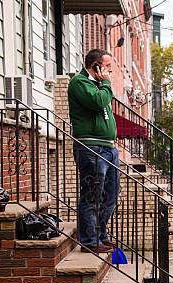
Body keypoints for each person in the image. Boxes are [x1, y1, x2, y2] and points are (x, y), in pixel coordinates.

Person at [68, 49, 118, 253]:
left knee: (110, 195)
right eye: (107, 67)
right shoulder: (80, 83)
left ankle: (100, 234)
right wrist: (106, 83)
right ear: (96, 66)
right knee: (92, 195)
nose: (109, 72)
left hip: (108, 148)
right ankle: (89, 241)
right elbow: (98, 102)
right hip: (90, 148)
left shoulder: (99, 85)